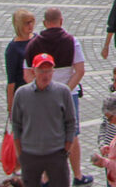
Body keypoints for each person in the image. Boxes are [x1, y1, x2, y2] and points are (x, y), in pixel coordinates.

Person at [24, 7, 89, 184]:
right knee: (72, 134)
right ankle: (77, 175)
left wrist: (40, 90)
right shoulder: (72, 41)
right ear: (61, 21)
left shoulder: (33, 44)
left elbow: (27, 74)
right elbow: (80, 70)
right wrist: (65, 91)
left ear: (45, 23)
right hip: (69, 95)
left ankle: (45, 178)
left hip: (42, 97)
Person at [10, 51, 80, 187]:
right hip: (30, 155)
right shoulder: (22, 94)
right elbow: (16, 124)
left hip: (56, 154)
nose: (45, 75)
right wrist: (21, 154)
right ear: (33, 71)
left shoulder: (63, 92)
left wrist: (65, 149)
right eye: (41, 71)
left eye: (48, 71)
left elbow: (71, 122)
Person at [5, 9, 37, 114]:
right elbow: (11, 81)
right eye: (27, 23)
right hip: (24, 93)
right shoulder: (13, 49)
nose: (31, 25)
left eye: (32, 21)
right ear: (19, 25)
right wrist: (10, 107)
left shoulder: (37, 39)